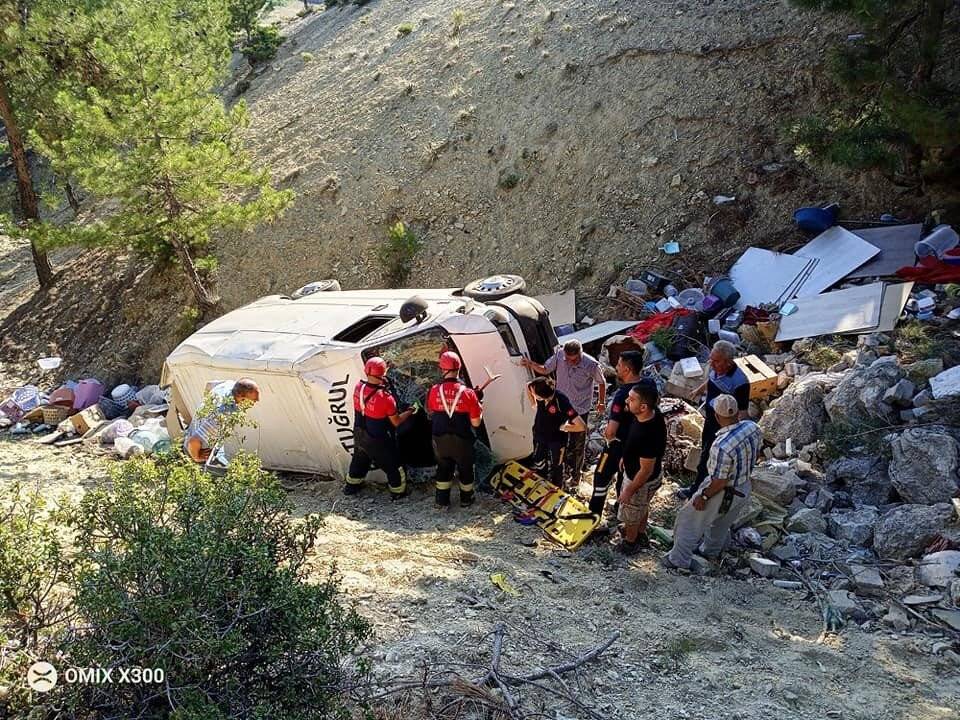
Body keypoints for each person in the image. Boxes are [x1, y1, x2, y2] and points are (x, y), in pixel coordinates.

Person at [664, 394, 763, 569]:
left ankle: (678, 559)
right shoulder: (752, 427)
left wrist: (703, 496)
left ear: (717, 416)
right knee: (722, 523)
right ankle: (710, 552)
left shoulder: (721, 446)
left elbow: (719, 481)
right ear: (737, 412)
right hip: (743, 486)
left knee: (688, 520)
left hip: (722, 490)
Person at [522, 339, 605, 487]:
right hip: (559, 408)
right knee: (560, 442)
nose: (570, 362)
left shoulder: (591, 364)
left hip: (579, 407)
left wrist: (601, 402)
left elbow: (601, 382)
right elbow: (545, 369)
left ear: (580, 354)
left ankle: (575, 475)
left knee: (577, 444)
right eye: (568, 359)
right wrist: (530, 364)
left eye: (574, 360)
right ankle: (560, 469)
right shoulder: (559, 355)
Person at [678, 340, 750, 501]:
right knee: (705, 452)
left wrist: (733, 436)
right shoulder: (717, 368)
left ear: (728, 362)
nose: (711, 363)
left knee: (709, 459)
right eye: (711, 359)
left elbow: (743, 412)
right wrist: (699, 390)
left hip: (722, 429)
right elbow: (712, 380)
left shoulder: (740, 382)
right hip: (710, 420)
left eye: (716, 360)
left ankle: (698, 491)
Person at [590, 350, 652, 517]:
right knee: (624, 477)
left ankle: (594, 515)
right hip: (640, 445)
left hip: (619, 444)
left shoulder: (623, 395)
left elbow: (611, 431)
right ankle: (620, 511)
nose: (616, 367)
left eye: (618, 365)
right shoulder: (649, 384)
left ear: (627, 369)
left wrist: (609, 439)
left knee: (601, 476)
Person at [344, 357, 416, 499]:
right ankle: (398, 493)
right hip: (377, 441)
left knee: (359, 461)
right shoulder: (386, 398)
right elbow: (396, 421)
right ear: (383, 374)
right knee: (395, 468)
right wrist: (410, 411)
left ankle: (351, 487)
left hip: (359, 434)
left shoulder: (359, 387)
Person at [427, 351, 484, 509]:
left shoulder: (434, 390)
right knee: (466, 469)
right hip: (462, 440)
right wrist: (479, 405)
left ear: (442, 369)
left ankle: (441, 501)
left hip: (440, 440)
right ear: (459, 368)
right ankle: (466, 499)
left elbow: (431, 411)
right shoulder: (468, 393)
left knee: (443, 467)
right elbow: (476, 423)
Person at [616, 382, 667, 555]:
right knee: (642, 506)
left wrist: (629, 491)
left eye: (631, 399)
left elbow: (645, 470)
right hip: (645, 475)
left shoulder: (648, 434)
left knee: (632, 512)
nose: (626, 401)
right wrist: (625, 457)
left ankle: (630, 542)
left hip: (640, 481)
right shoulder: (651, 414)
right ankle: (641, 533)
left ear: (643, 407)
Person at [527, 377, 587, 486]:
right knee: (538, 459)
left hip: (556, 440)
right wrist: (534, 404)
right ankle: (542, 478)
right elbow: (528, 386)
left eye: (535, 394)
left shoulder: (561, 401)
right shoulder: (539, 394)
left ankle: (557, 486)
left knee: (557, 464)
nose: (533, 394)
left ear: (543, 395)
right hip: (539, 435)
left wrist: (564, 427)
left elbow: (581, 426)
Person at [184, 378, 260, 463]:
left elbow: (209, 384)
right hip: (197, 451)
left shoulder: (228, 385)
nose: (257, 400)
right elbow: (193, 441)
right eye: (253, 400)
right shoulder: (222, 415)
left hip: (197, 435)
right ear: (241, 397)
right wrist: (196, 458)